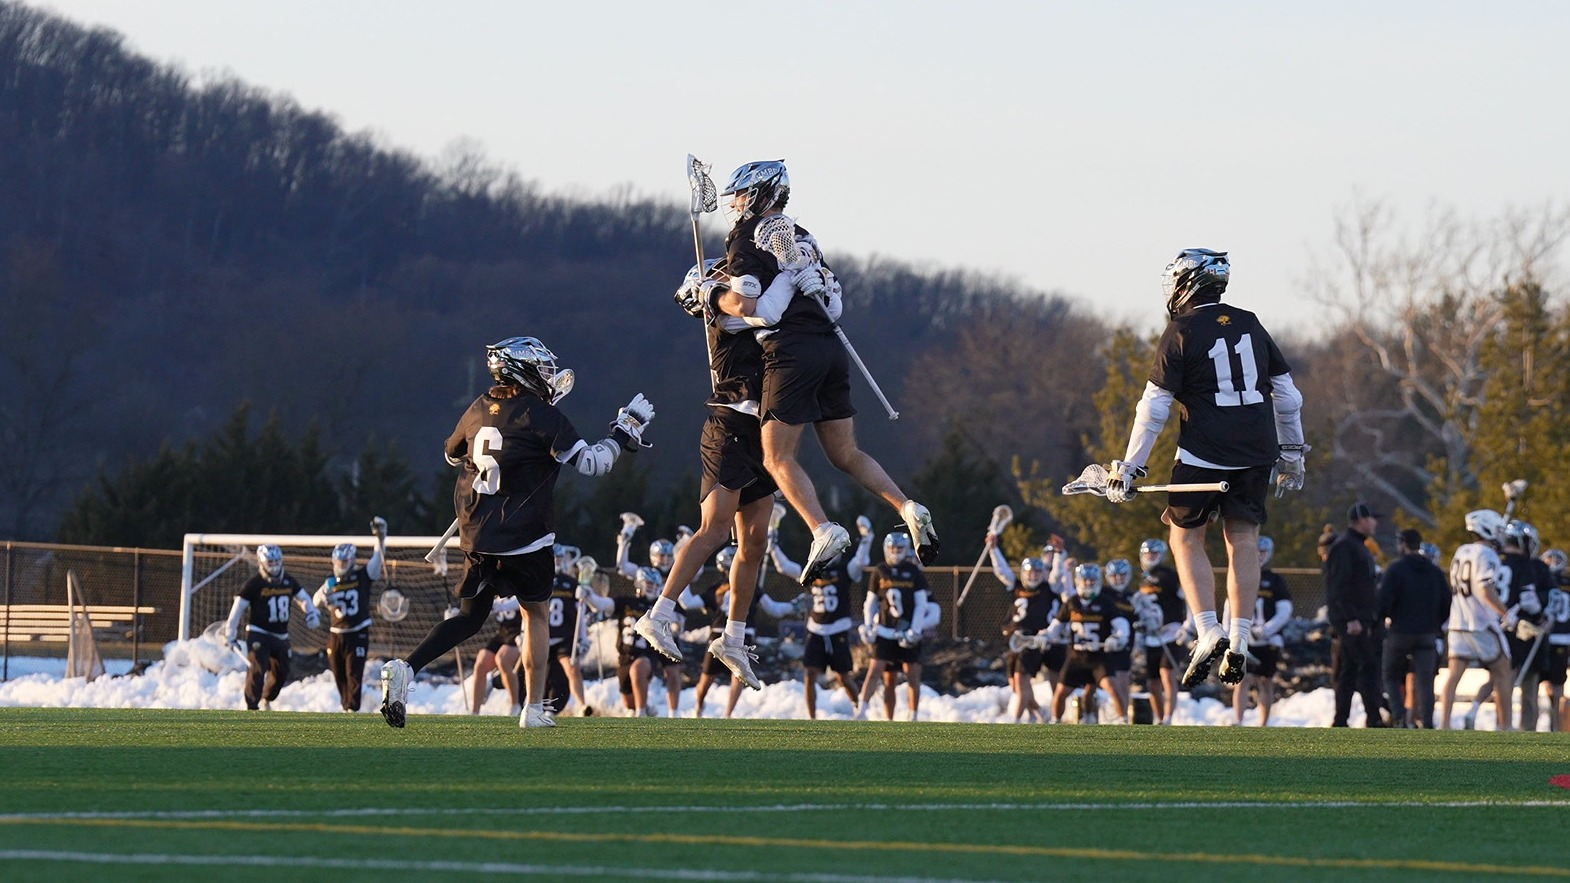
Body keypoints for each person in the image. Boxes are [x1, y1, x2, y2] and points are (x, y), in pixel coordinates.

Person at [377, 336, 653, 729]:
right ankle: (533, 708)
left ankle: (406, 668)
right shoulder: (541, 415)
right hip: (525, 537)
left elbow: (452, 454)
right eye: (541, 369)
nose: (548, 376)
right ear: (523, 372)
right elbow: (594, 463)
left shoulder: (477, 408)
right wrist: (624, 432)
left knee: (470, 618)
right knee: (535, 614)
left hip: (478, 534)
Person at [710, 160, 938, 582]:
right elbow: (833, 303)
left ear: (762, 194)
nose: (736, 204)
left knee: (776, 457)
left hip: (790, 353)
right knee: (846, 454)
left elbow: (747, 306)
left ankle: (821, 528)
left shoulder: (745, 237)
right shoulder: (803, 236)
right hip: (831, 347)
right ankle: (907, 506)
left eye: (741, 195)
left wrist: (712, 295)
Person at [1102, 249, 1307, 694]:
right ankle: (1241, 635)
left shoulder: (1181, 330)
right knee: (1244, 539)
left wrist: (1131, 466)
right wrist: (1292, 452)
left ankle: (1208, 628)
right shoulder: (1250, 322)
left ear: (1186, 284)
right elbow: (1288, 396)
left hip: (1204, 454)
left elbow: (1154, 407)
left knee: (1184, 537)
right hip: (1257, 452)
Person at [630, 260, 788, 692]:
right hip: (729, 426)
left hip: (762, 433)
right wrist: (789, 277)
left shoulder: (752, 309)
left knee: (754, 541)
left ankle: (733, 638)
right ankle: (658, 614)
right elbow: (759, 310)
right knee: (715, 529)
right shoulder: (727, 311)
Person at [770, 518, 872, 719]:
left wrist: (867, 539)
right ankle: (811, 717)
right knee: (810, 674)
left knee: (843, 677)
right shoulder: (812, 570)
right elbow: (784, 567)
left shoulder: (843, 571)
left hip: (837, 628)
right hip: (816, 629)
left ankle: (859, 710)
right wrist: (772, 546)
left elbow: (860, 562)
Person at [1439, 510, 1515, 731]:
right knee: (1503, 671)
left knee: (1454, 675)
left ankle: (1444, 725)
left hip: (1457, 622)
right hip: (1481, 622)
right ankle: (1506, 727)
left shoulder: (1461, 551)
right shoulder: (1487, 554)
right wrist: (1506, 613)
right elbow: (1484, 589)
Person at [225, 544, 320, 711]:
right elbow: (238, 607)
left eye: (277, 561)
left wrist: (311, 612)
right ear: (261, 563)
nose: (274, 566)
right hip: (259, 632)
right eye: (270, 562)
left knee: (282, 671)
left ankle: (266, 699)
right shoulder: (255, 583)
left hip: (280, 635)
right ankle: (252, 707)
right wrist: (230, 633)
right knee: (257, 668)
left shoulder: (288, 581)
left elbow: (303, 598)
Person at [857, 531, 938, 721]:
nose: (895, 551)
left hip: (907, 629)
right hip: (885, 629)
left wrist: (915, 630)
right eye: (892, 548)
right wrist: (868, 625)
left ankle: (913, 716)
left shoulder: (913, 572)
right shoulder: (880, 570)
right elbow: (870, 602)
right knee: (880, 673)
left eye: (899, 548)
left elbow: (921, 605)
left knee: (912, 673)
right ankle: (862, 712)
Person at [1375, 528, 1450, 728]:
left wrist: (1383, 620)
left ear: (1403, 544)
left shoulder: (1396, 569)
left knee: (1391, 675)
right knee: (1425, 681)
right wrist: (1434, 625)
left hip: (1400, 631)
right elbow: (1446, 603)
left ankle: (1400, 717)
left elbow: (1383, 601)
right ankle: (1427, 721)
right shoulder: (1434, 572)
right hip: (1427, 634)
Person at [311, 517, 387, 713]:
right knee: (339, 674)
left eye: (344, 561)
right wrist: (324, 597)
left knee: (354, 672)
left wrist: (380, 538)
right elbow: (315, 601)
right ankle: (346, 707)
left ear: (352, 561)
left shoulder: (362, 576)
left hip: (357, 632)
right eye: (339, 561)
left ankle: (352, 709)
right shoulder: (331, 581)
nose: (341, 565)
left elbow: (377, 559)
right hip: (336, 634)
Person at [1042, 563, 1132, 724]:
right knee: (1061, 693)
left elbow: (1122, 625)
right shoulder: (1072, 602)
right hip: (1076, 657)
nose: (1088, 583)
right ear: (1078, 581)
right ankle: (1055, 722)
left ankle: (1123, 721)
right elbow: (1056, 625)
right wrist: (1046, 635)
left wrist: (1118, 638)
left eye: (1092, 580)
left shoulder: (1106, 602)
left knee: (1112, 687)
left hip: (1098, 657)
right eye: (1085, 580)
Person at [1326, 502, 1387, 727]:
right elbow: (1338, 586)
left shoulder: (1359, 546)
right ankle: (1374, 718)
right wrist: (1350, 617)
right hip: (1351, 621)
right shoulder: (1345, 546)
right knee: (1368, 666)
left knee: (1349, 671)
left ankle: (1341, 719)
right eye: (1372, 518)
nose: (1375, 523)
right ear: (1361, 519)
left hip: (1360, 619)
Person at [986, 537, 1058, 723]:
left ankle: (1015, 720)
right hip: (1015, 639)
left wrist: (1057, 554)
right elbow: (1001, 570)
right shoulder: (1017, 586)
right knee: (1015, 685)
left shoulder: (1046, 589)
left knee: (1021, 679)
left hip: (1032, 640)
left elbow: (1057, 574)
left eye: (1037, 572)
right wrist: (993, 550)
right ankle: (1039, 711)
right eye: (1030, 572)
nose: (1033, 576)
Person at [1228, 536, 1293, 726]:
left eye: (1263, 551)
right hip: (1245, 639)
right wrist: (1230, 634)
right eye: (1256, 551)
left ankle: (1263, 723)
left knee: (1266, 680)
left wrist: (1266, 630)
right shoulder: (1241, 575)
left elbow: (1285, 610)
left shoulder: (1275, 580)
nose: (1259, 555)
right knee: (1242, 679)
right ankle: (1238, 720)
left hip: (1268, 640)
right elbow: (1229, 607)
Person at [1134, 538, 1186, 725]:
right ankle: (1159, 718)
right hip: (1152, 636)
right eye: (1148, 554)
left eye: (1154, 553)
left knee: (1167, 674)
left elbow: (1185, 596)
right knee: (1153, 683)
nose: (1151, 557)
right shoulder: (1144, 578)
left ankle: (1168, 717)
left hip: (1170, 633)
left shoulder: (1170, 575)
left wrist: (1187, 624)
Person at [471, 593, 523, 714]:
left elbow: (517, 602)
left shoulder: (518, 587)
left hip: (520, 633)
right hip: (502, 633)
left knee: (502, 658)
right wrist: (457, 614)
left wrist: (496, 605)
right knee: (481, 662)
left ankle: (515, 705)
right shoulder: (497, 588)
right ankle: (475, 712)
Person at [1540, 548, 1570, 731]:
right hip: (1546, 639)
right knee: (1548, 684)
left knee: (1556, 685)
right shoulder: (1541, 580)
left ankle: (1556, 726)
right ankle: (1554, 725)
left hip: (1558, 639)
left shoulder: (1561, 584)